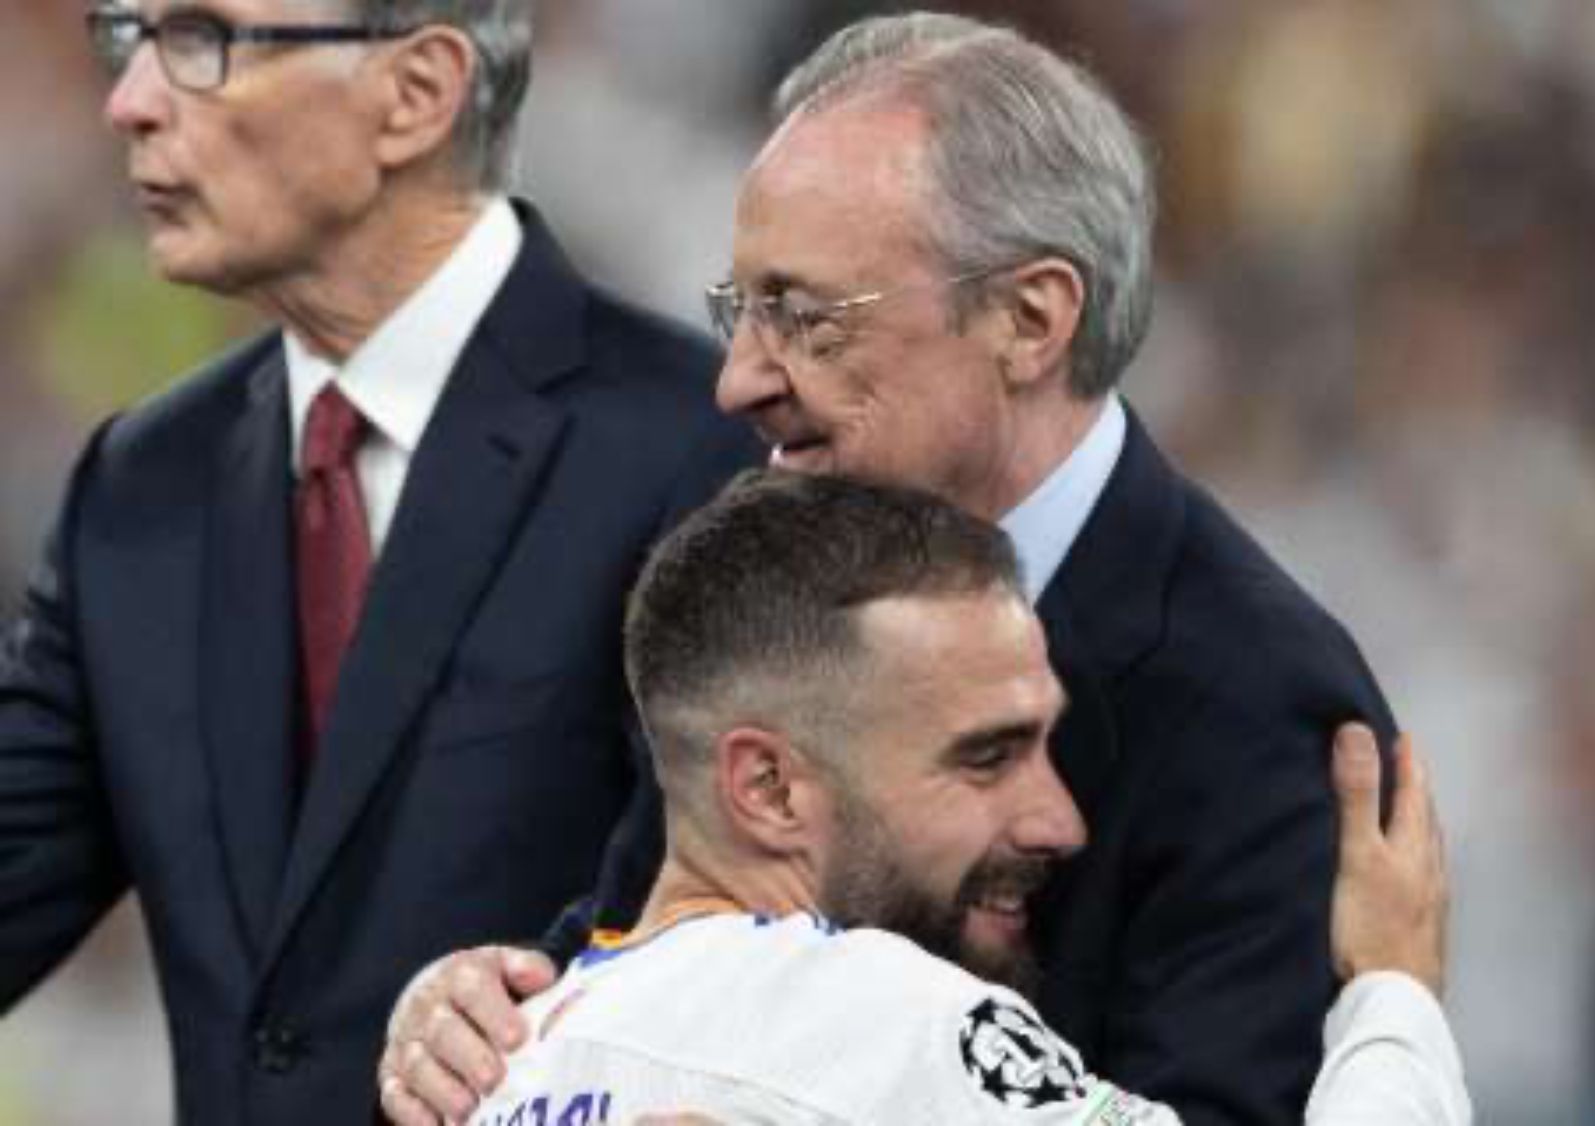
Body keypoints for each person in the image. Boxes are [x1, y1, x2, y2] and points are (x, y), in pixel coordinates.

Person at [383, 13, 1403, 1126]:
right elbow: (671, 933)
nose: (737, 380)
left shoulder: (1256, 698)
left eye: (805, 318)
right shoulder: (767, 581)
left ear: (1028, 319)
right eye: (741, 310)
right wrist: (484, 1014)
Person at [0, 2, 754, 1122]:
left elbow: (735, 932)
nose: (131, 99)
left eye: (202, 42)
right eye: (129, 35)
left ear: (415, 92)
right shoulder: (141, 482)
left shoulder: (698, 450)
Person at [469, 469, 1467, 1126]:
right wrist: (1392, 996)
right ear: (768, 786)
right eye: (986, 757)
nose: (1060, 820)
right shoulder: (875, 1016)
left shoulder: (496, 1070)